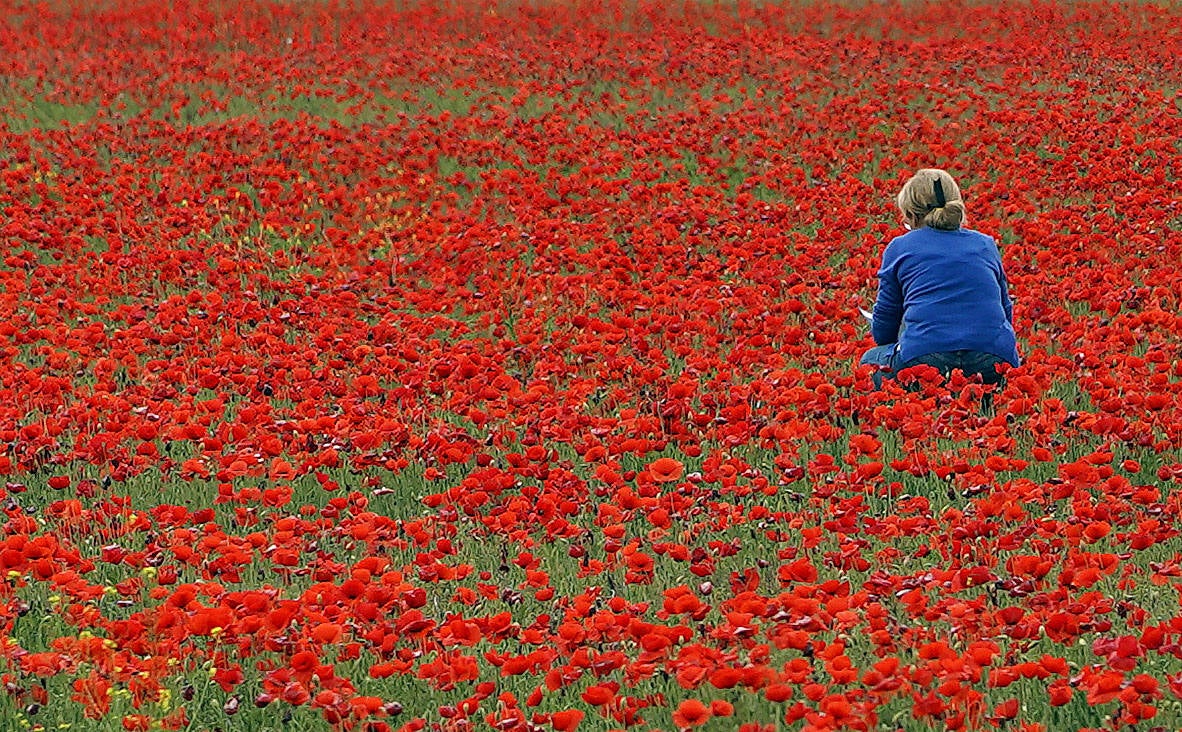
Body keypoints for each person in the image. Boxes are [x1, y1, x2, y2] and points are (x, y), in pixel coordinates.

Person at [860, 169, 1019, 389]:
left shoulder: (900, 247)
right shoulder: (985, 244)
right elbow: (1005, 312)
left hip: (925, 359)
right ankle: (986, 402)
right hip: (993, 359)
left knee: (870, 361)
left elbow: (884, 331)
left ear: (912, 215)